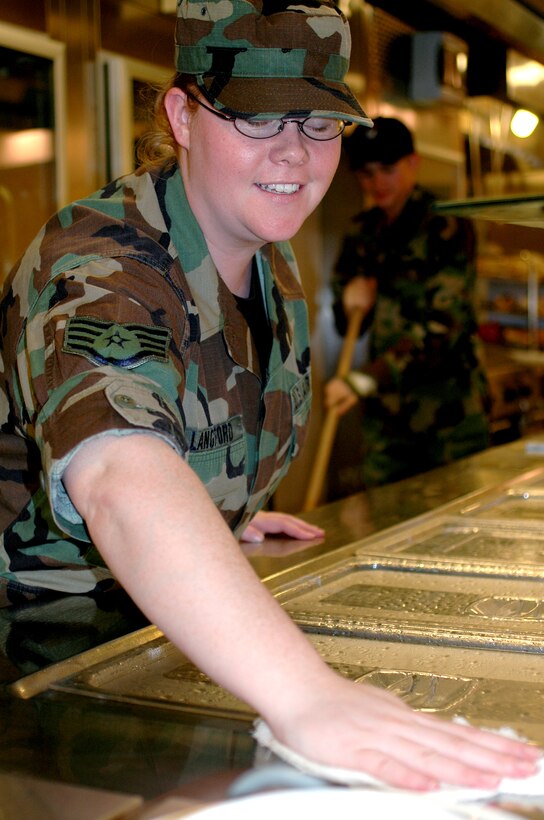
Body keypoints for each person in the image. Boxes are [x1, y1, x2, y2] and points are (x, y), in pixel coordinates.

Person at [0, 0, 538, 792]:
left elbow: (184, 453)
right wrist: (312, 698)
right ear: (181, 115)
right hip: (45, 662)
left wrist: (219, 514)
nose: (295, 154)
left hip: (169, 634)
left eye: (321, 124)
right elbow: (119, 476)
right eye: (256, 120)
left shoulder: (269, 261)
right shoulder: (100, 262)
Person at [325, 117, 490, 489]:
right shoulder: (362, 233)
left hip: (449, 421)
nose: (377, 183)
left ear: (412, 163)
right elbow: (345, 323)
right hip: (387, 426)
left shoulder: (447, 226)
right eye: (366, 173)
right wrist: (348, 301)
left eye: (387, 169)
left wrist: (365, 379)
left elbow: (442, 329)